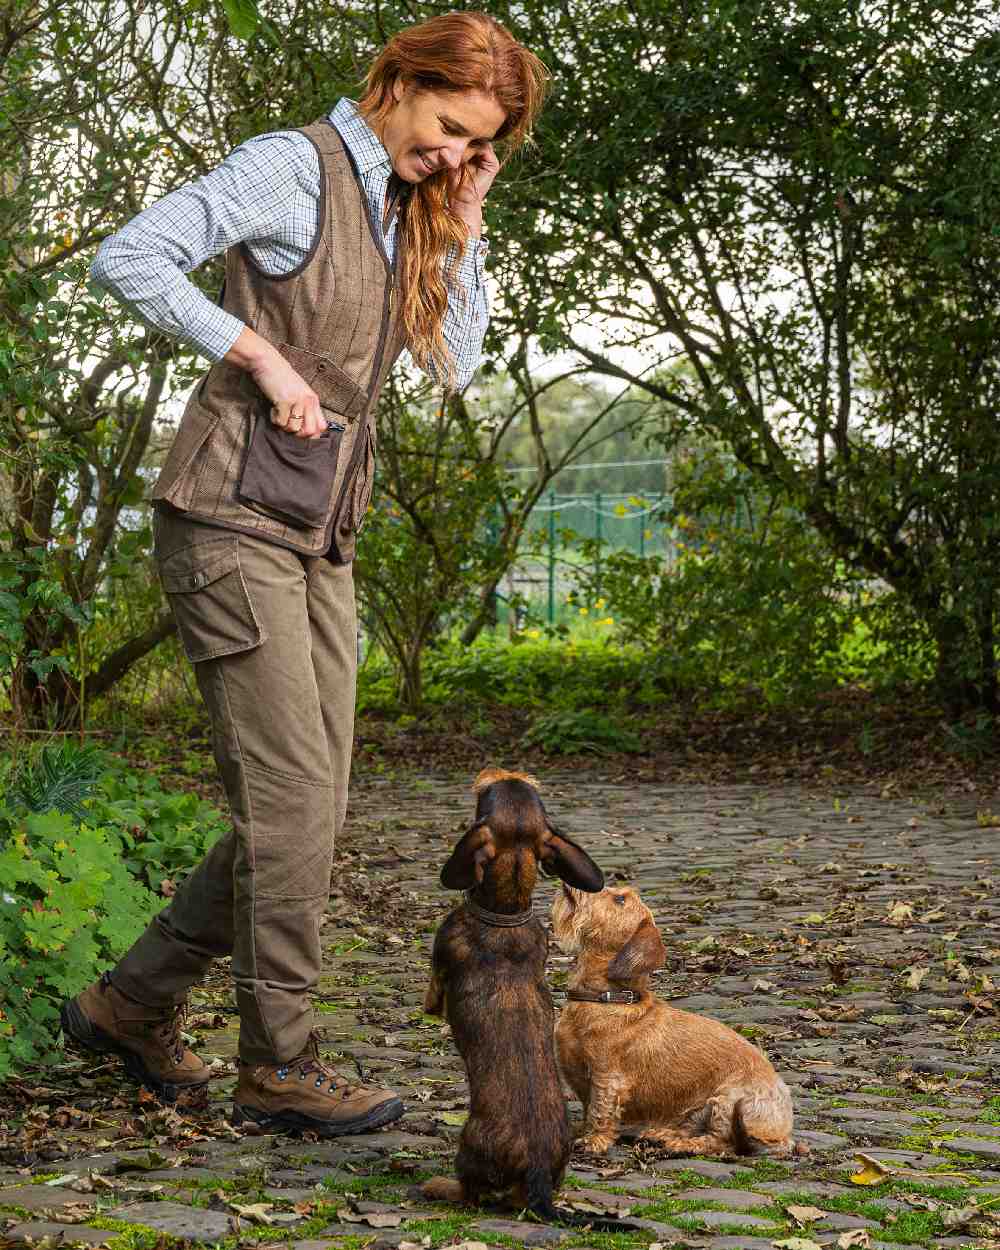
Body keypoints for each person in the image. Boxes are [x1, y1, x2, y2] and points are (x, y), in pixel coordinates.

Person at [60, 12, 548, 1138]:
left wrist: (464, 220)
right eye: (444, 130)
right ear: (397, 79)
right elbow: (126, 254)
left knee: (309, 810)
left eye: (473, 146)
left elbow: (455, 364)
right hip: (229, 521)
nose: (446, 157)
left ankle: (129, 1003)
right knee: (289, 812)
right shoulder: (292, 168)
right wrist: (260, 352)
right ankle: (278, 1062)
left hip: (318, 535)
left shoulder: (406, 207)